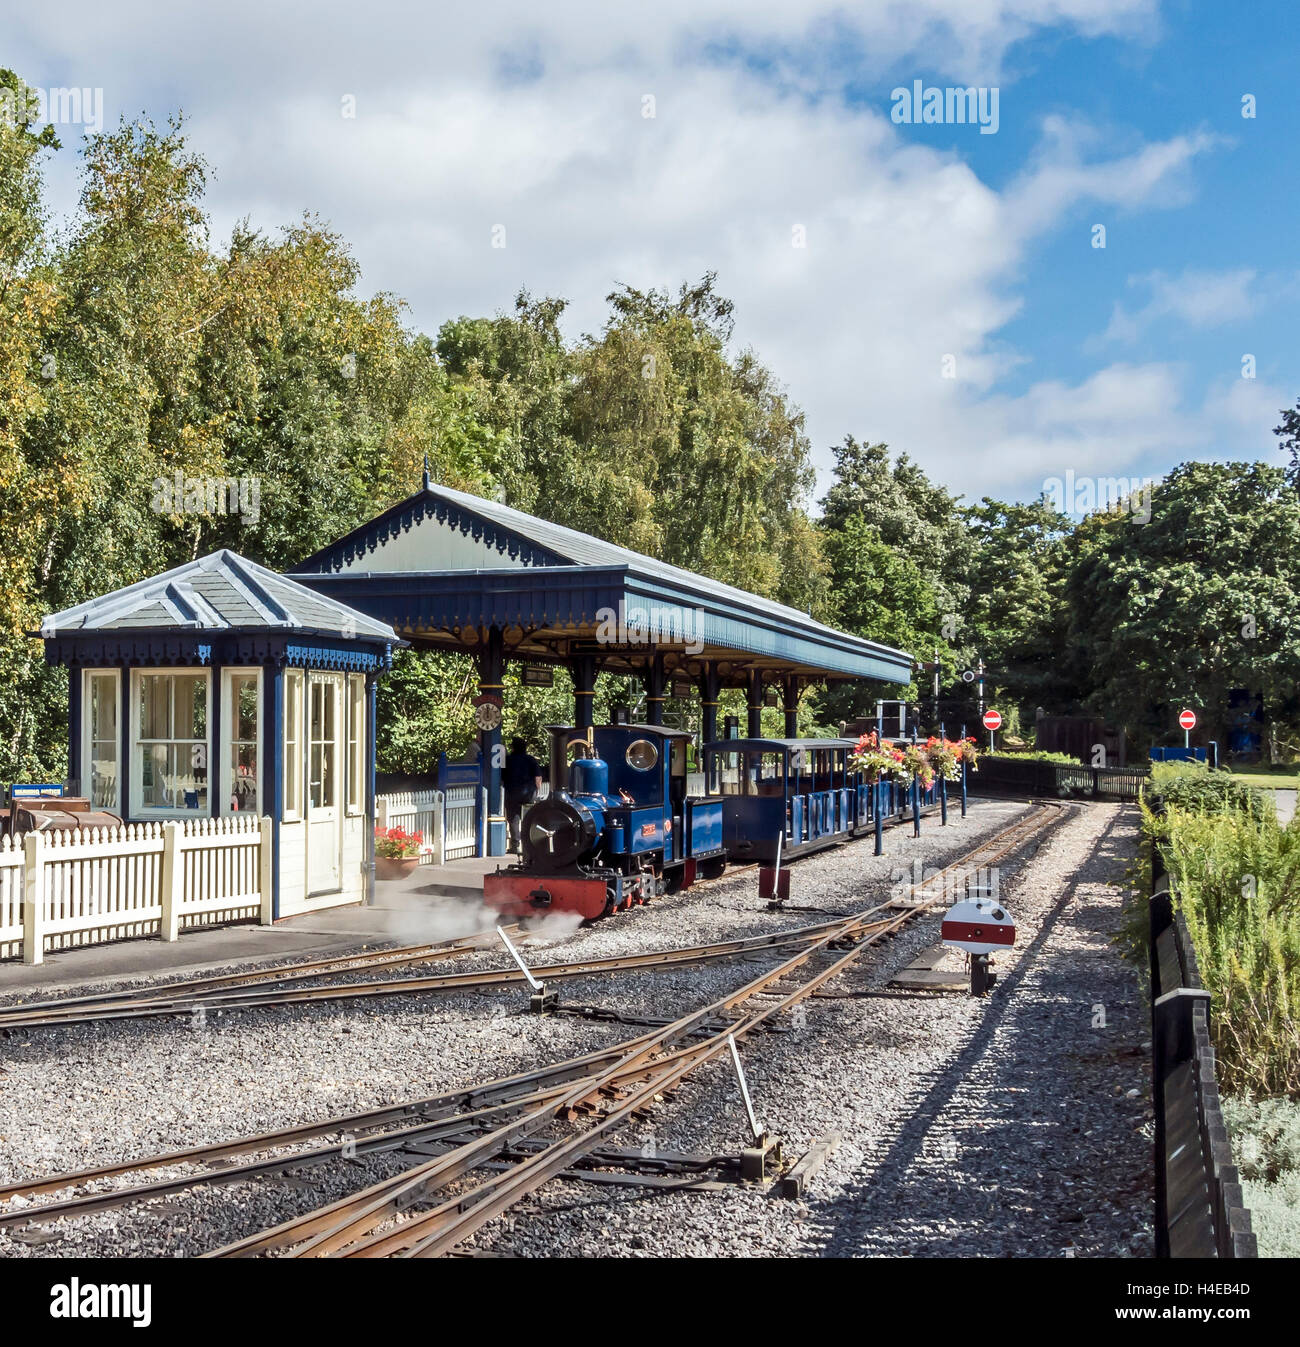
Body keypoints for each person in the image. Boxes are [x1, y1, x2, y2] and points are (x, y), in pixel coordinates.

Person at [503, 737, 542, 854]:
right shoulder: (530, 760)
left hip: (512, 793)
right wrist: (536, 791)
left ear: (513, 747)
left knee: (513, 819)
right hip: (528, 794)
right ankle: (529, 844)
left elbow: (502, 777)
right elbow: (538, 778)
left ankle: (515, 845)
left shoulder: (508, 760)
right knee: (528, 819)